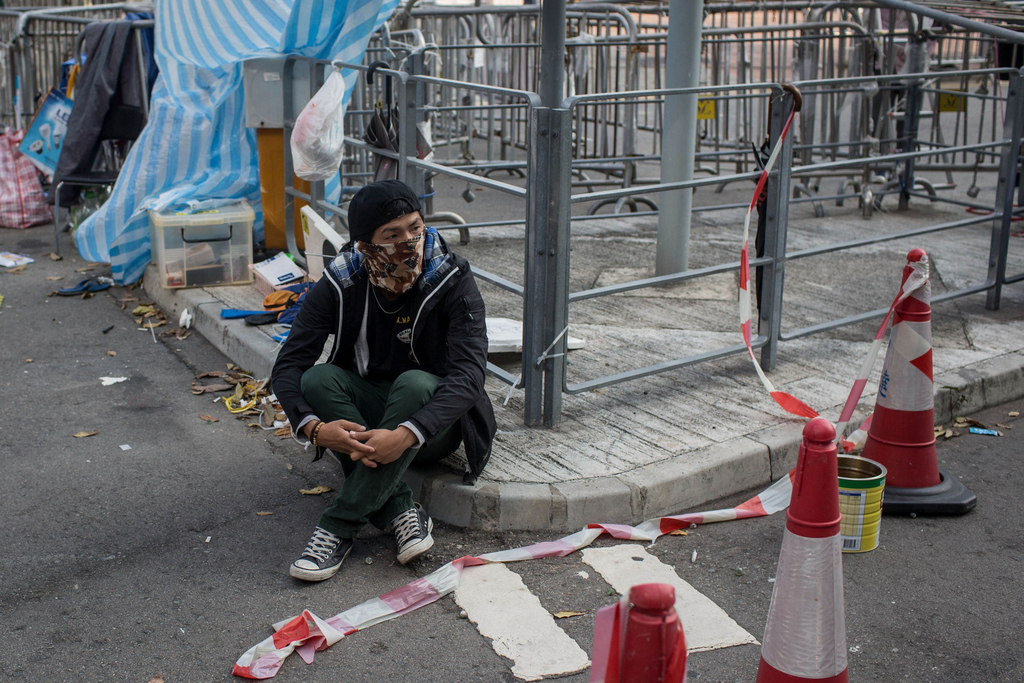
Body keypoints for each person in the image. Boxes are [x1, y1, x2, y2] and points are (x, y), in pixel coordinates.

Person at [271, 179, 496, 582]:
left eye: (415, 227)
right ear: (365, 246)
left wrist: (408, 433)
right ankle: (400, 510)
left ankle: (338, 526)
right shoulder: (341, 281)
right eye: (392, 235)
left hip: (433, 426)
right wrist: (315, 428)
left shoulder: (451, 277)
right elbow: (289, 366)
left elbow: (469, 376)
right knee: (319, 379)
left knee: (413, 383)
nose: (409, 241)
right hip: (369, 412)